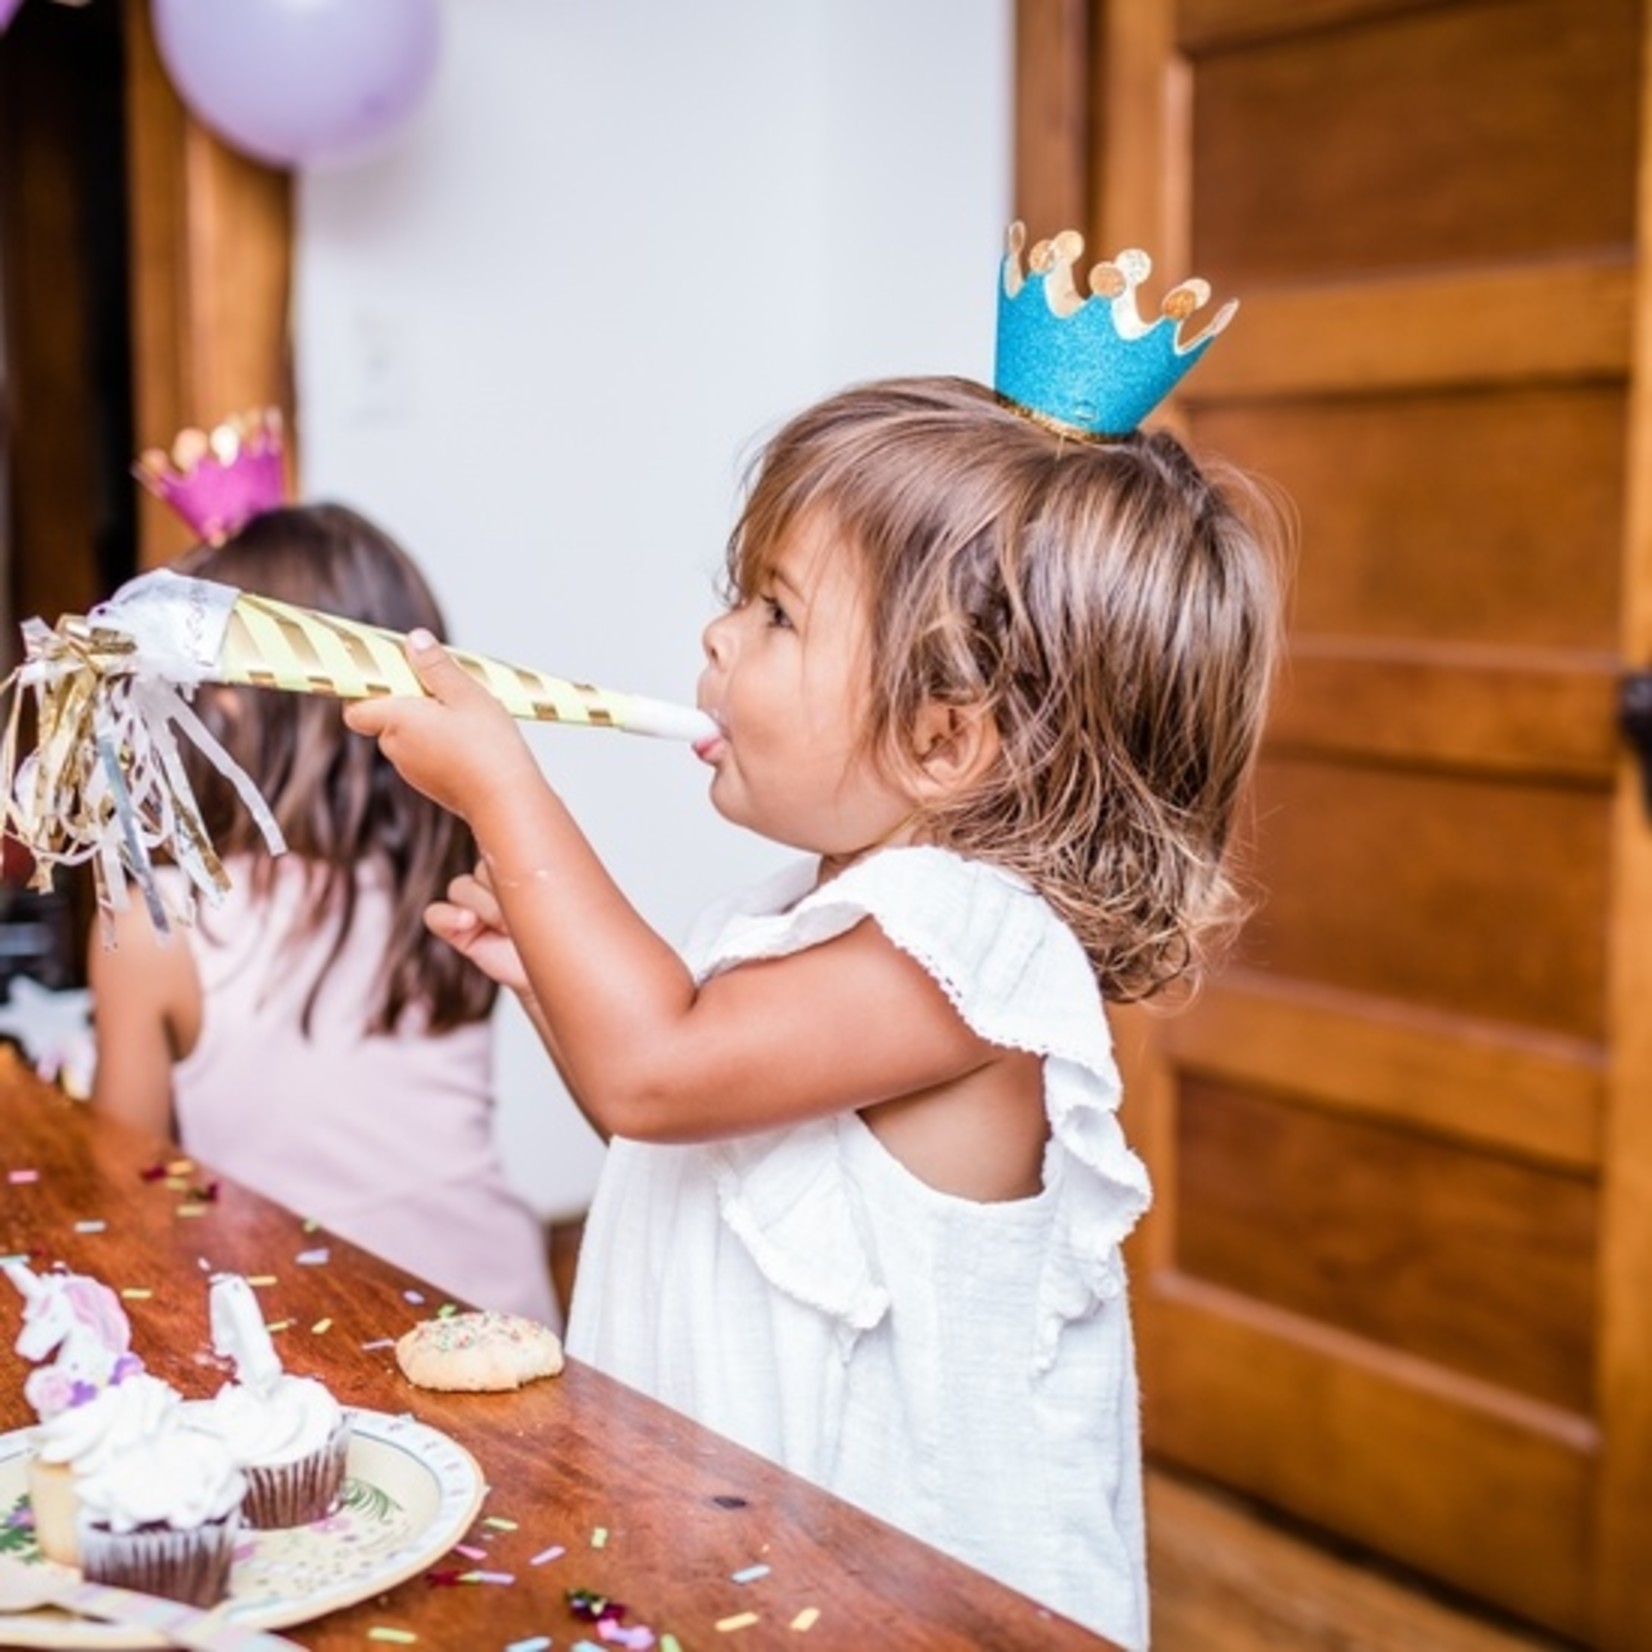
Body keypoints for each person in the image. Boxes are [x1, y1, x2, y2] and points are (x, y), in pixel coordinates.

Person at [346, 368, 1285, 1646]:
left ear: (946, 743)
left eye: (777, 612)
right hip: (746, 1558)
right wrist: (548, 978)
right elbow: (674, 1130)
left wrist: (504, 797)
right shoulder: (804, 920)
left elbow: (656, 1075)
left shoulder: (970, 944)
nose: (717, 638)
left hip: (908, 1603)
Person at [89, 502, 559, 1328]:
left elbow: (123, 1191)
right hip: (505, 1313)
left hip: (305, 1350)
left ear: (227, 706)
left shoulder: (156, 924)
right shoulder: (460, 884)